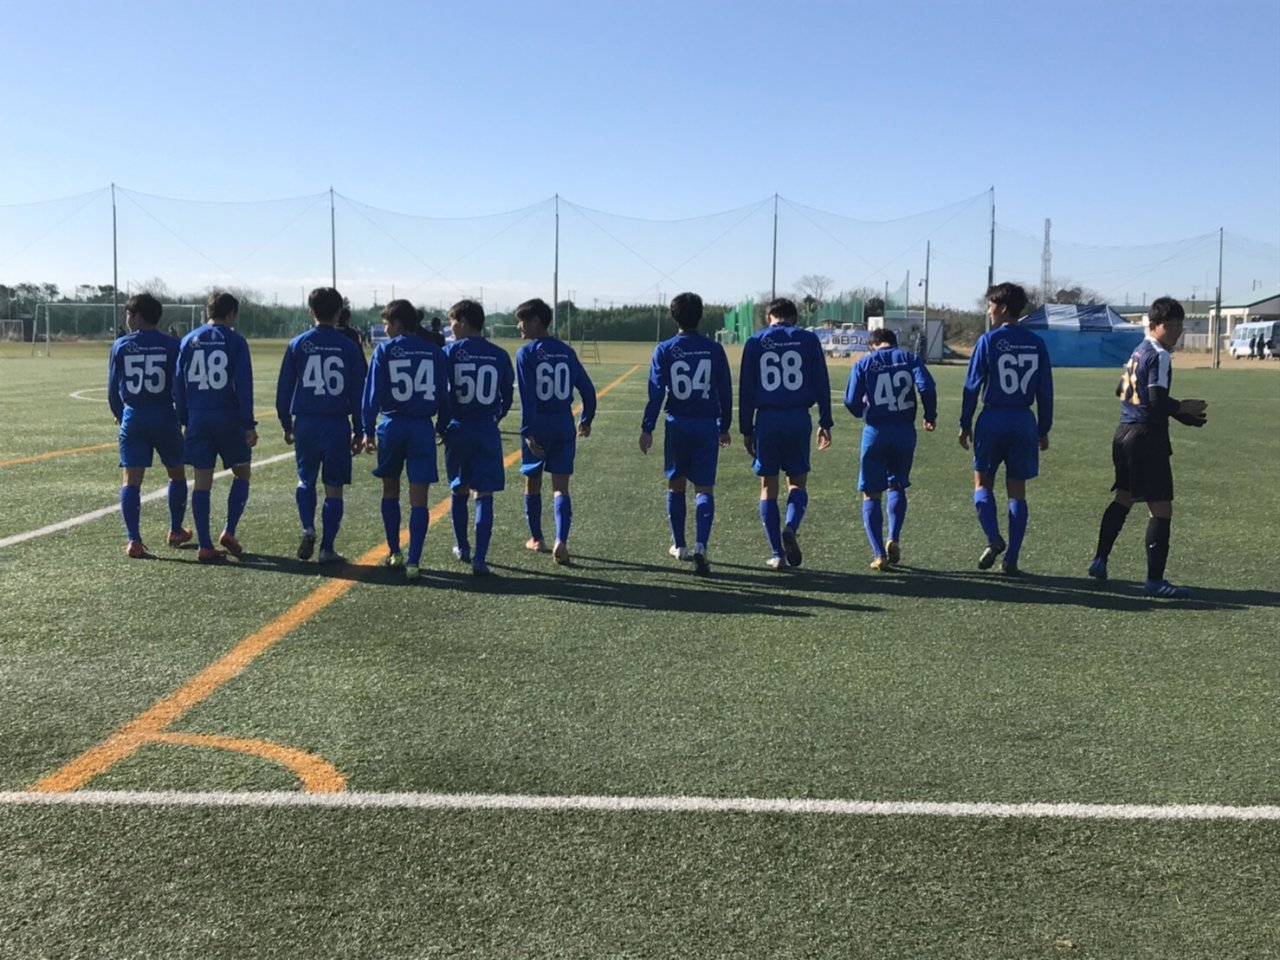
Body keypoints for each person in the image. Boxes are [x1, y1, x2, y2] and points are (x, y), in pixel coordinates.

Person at [1087, 297, 1207, 598]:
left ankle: (1099, 559)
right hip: (1146, 438)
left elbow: (1121, 389)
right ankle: (1155, 581)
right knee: (1161, 507)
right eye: (1171, 325)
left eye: (1180, 325)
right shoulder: (1160, 355)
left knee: (1123, 498)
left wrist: (1176, 415)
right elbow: (1155, 399)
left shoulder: (1138, 350)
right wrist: (1183, 407)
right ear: (1154, 325)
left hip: (1123, 432)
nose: (1177, 331)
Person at [958, 282, 1053, 576]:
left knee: (982, 483)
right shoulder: (1036, 343)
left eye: (990, 306)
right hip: (1023, 421)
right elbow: (1045, 390)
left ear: (1001, 308)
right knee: (1017, 492)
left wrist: (964, 423)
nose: (988, 311)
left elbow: (972, 387)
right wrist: (1043, 428)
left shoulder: (988, 341)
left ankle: (994, 538)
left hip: (993, 419)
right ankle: (1012, 557)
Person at [638, 292, 733, 575]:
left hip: (677, 423)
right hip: (706, 424)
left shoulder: (664, 349)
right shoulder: (714, 349)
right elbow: (725, 390)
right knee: (704, 488)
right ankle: (701, 545)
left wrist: (647, 427)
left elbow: (656, 392)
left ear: (673, 316)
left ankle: (679, 545)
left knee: (676, 483)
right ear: (701, 316)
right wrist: (725, 425)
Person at [738, 297, 833, 569]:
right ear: (793, 317)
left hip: (767, 418)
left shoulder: (755, 342)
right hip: (798, 417)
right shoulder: (808, 340)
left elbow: (746, 389)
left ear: (769, 317)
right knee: (797, 483)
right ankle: (790, 526)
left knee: (768, 486)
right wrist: (825, 420)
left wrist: (746, 428)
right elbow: (821, 382)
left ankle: (777, 553)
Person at [361, 300, 450, 581]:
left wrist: (367, 429)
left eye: (387, 323)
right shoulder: (434, 351)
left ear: (398, 323)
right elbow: (444, 394)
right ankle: (414, 561)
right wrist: (442, 425)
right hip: (422, 428)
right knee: (419, 499)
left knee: (390, 490)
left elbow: (372, 394)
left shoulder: (385, 350)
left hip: (392, 426)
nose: (385, 329)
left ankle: (395, 551)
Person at [275, 286, 366, 564]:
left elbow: (284, 389)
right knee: (334, 487)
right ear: (339, 313)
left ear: (310, 311)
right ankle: (327, 548)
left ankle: (308, 527)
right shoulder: (349, 346)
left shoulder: (298, 343)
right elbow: (358, 393)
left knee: (305, 479)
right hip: (336, 423)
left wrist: (286, 423)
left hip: (306, 422)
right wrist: (360, 429)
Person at [844, 328, 937, 570]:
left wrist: (862, 411)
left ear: (871, 346)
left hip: (876, 431)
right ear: (895, 343)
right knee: (897, 484)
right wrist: (930, 414)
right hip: (905, 431)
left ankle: (879, 554)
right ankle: (893, 537)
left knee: (871, 493)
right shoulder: (909, 358)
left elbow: (851, 401)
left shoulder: (865, 363)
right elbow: (927, 386)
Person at [174, 292, 256, 563]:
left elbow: (179, 384)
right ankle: (229, 530)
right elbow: (243, 385)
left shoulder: (188, 340)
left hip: (198, 417)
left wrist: (184, 419)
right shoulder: (236, 341)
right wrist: (248, 423)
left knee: (202, 483)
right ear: (231, 314)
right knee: (242, 474)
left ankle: (205, 545)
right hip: (228, 417)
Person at [514, 297, 596, 565]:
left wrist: (528, 431)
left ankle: (537, 538)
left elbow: (528, 399)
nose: (519, 326)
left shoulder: (526, 354)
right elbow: (587, 389)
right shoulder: (566, 351)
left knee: (533, 482)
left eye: (522, 321)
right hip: (563, 422)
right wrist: (586, 418)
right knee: (561, 487)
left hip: (539, 423)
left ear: (537, 321)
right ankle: (561, 538)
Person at [107, 293, 189, 558]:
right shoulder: (172, 345)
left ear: (137, 315)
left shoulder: (121, 345)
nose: (126, 319)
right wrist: (182, 417)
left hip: (134, 416)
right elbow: (180, 386)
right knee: (176, 473)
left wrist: (121, 414)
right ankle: (175, 531)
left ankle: (133, 539)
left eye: (128, 314)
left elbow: (112, 390)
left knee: (131, 480)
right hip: (164, 415)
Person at [442, 299, 515, 576]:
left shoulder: (449, 352)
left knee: (459, 488)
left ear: (462, 321)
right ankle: (480, 559)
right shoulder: (498, 354)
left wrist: (442, 425)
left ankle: (463, 547)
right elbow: (507, 395)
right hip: (486, 429)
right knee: (484, 493)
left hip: (458, 428)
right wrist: (496, 417)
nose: (450, 327)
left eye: (452, 321)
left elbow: (441, 392)